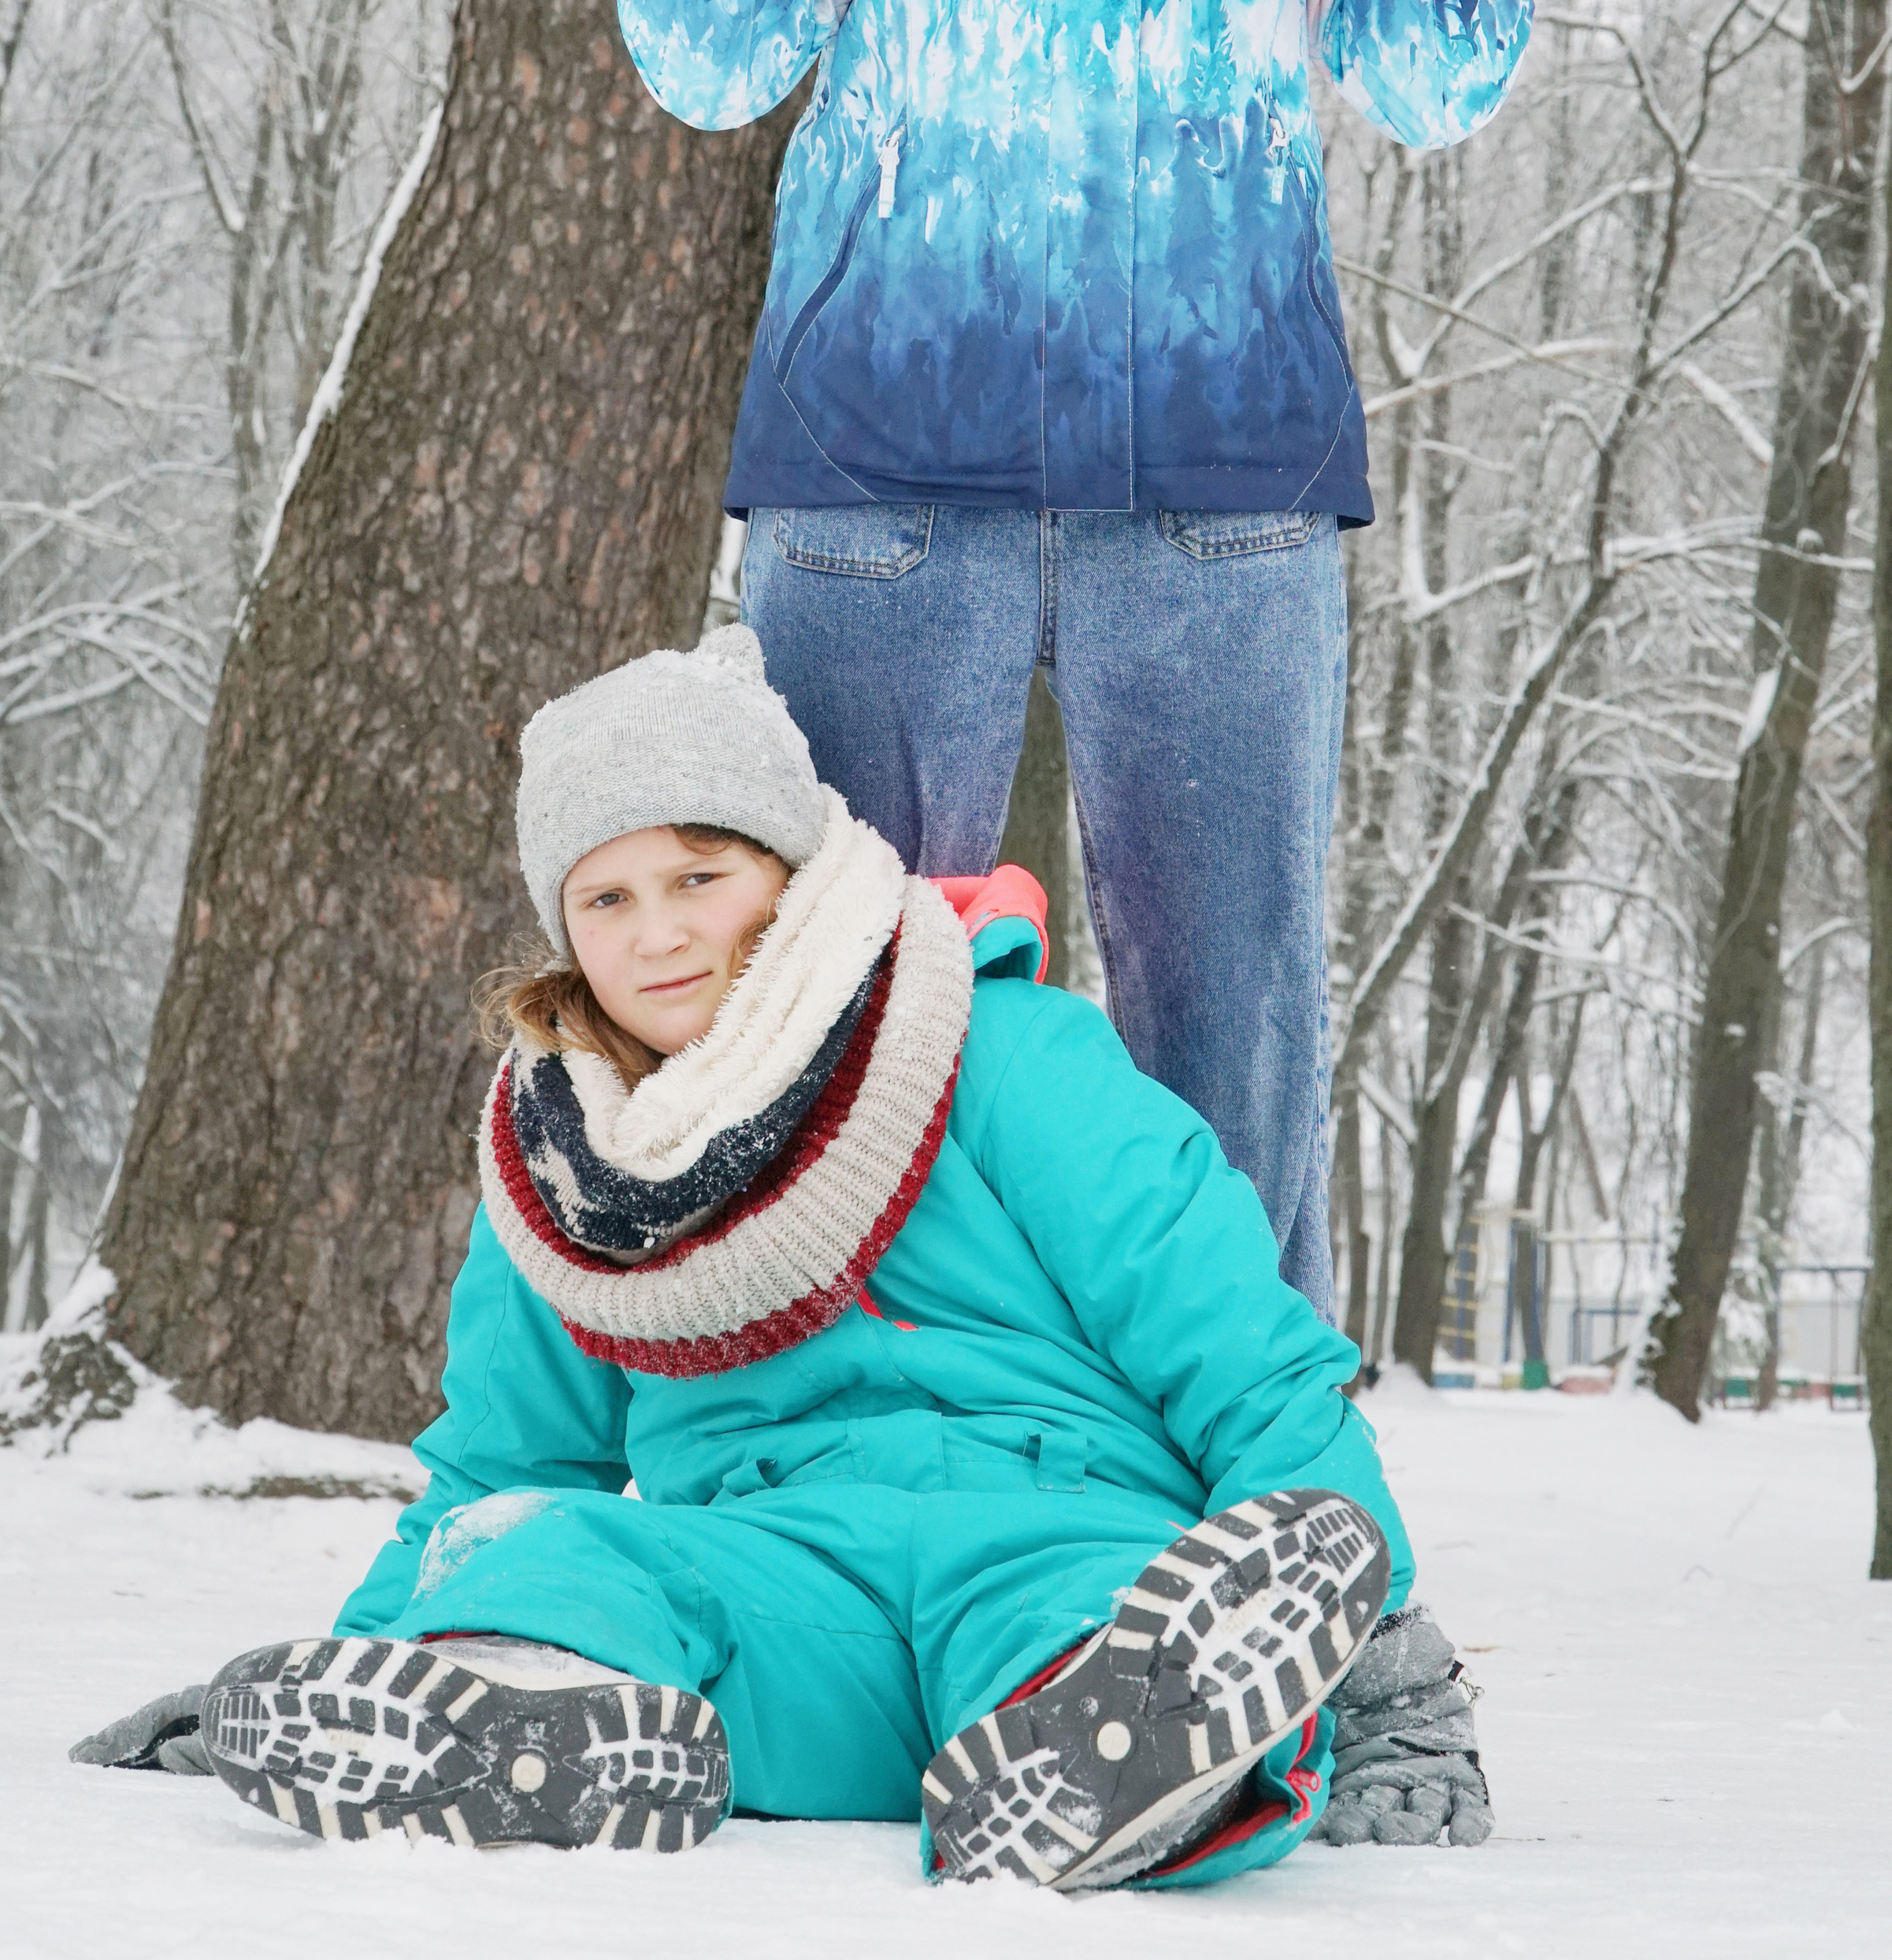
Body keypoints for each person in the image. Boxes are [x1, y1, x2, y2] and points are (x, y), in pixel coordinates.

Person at [615, 0, 1534, 1317]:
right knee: (826, 1029)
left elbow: (1435, 77)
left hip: (1218, 486)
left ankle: (1266, 1489)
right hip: (872, 474)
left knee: (1233, 1033)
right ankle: (839, 1465)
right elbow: (705, 54)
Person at [77, 630, 1489, 1873]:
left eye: (699, 874)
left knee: (1097, 1628)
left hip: (1065, 1540)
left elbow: (1244, 1359)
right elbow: (502, 1472)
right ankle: (510, 1718)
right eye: (607, 899)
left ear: (788, 872)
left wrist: (1387, 1675)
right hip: (781, 1595)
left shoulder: (1001, 1051)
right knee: (560, 1553)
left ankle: (1118, 1760)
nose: (658, 935)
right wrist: (372, 1661)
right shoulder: (572, 1173)